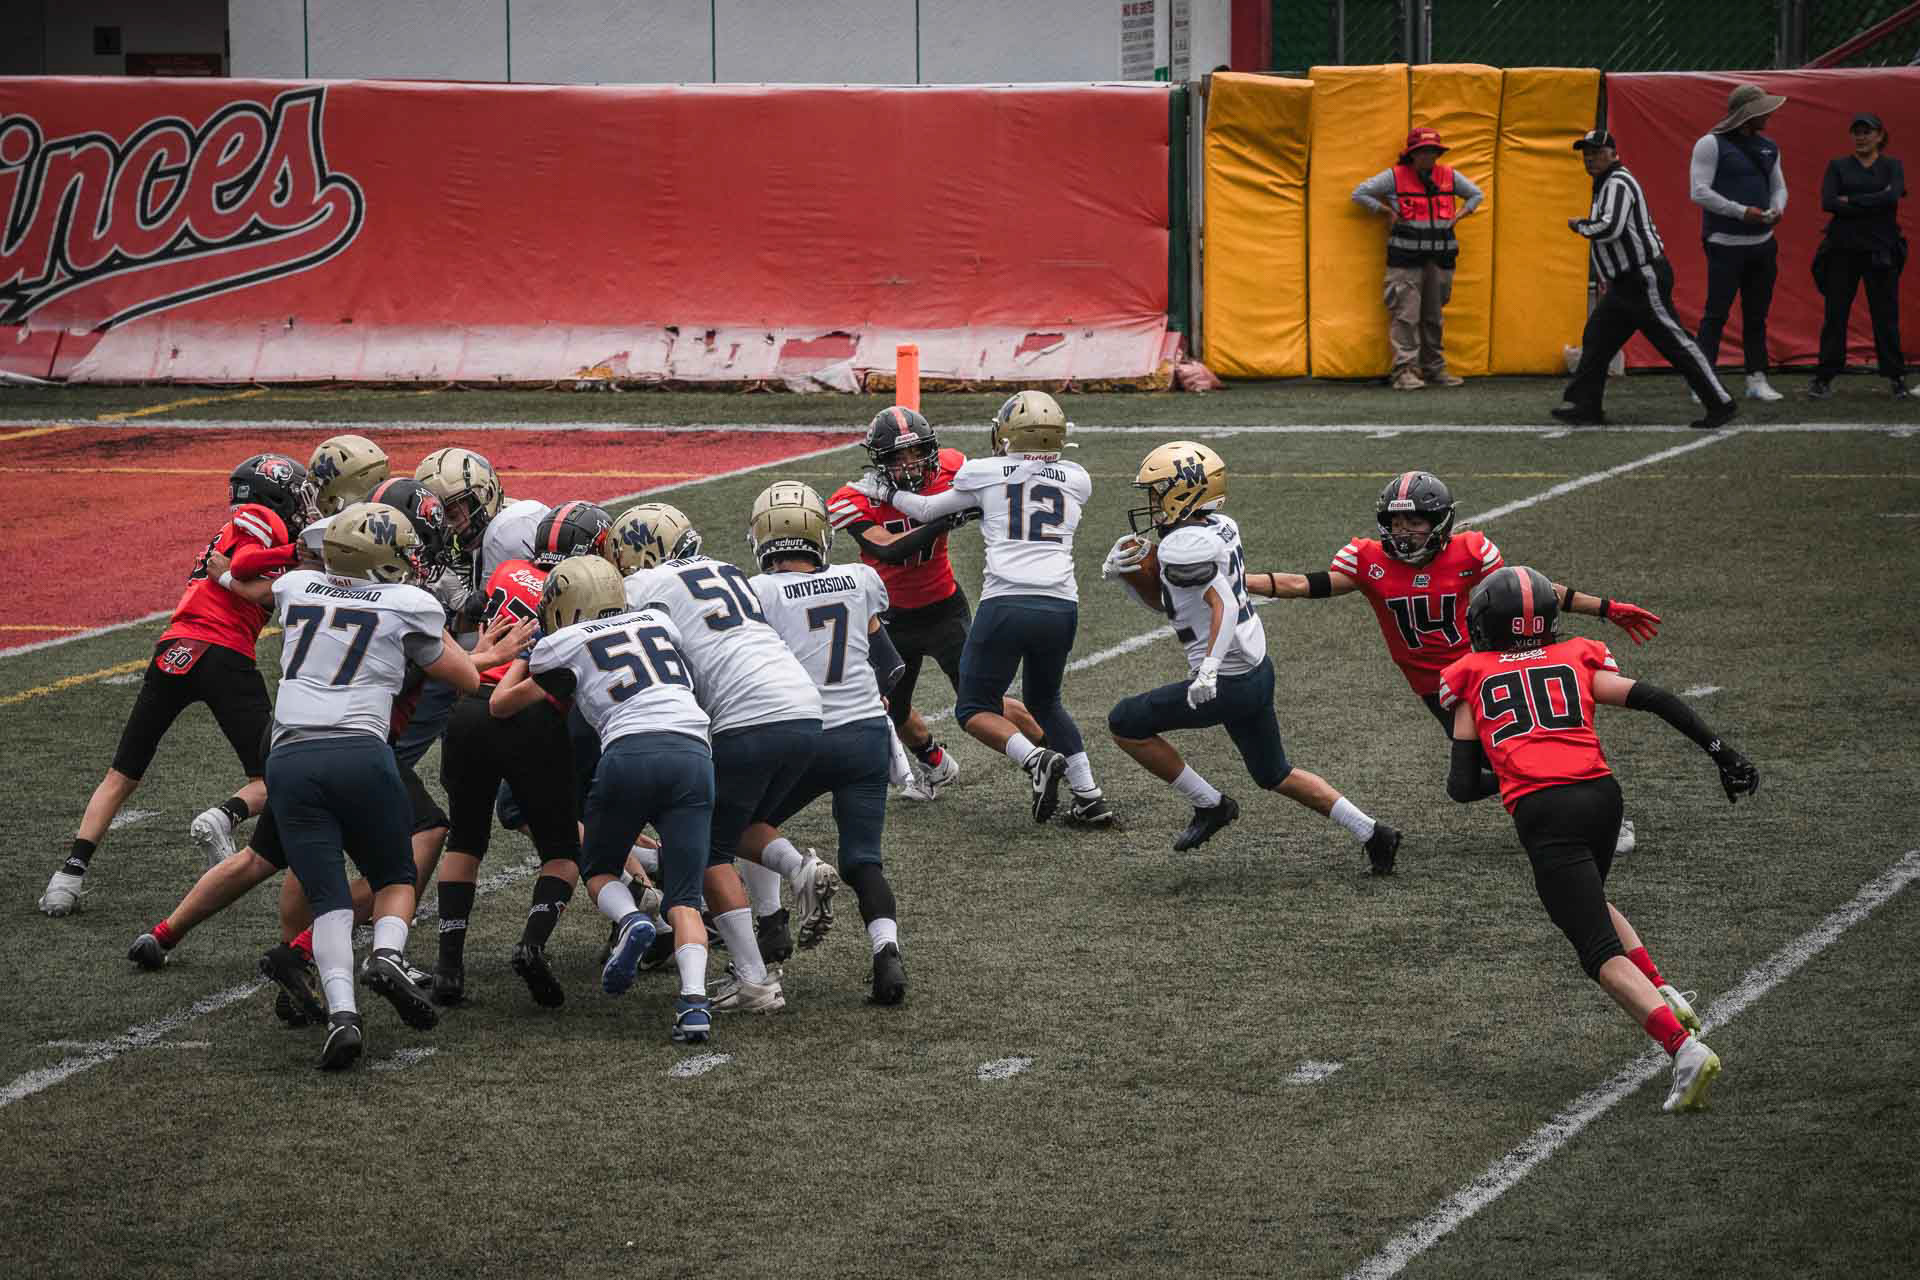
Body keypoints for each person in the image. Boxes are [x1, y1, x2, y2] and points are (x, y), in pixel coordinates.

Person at [1436, 565, 1759, 1113]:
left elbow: (1461, 787)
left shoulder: (1468, 674)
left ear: (1485, 624)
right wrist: (1722, 753)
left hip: (1547, 810)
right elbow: (1656, 698)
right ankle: (1660, 990)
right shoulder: (1577, 654)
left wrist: (1516, 768)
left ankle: (1682, 1049)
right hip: (1603, 797)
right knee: (1592, 902)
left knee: (1596, 951)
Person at [1243, 470, 1659, 855]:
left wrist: (1605, 608)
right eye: (1396, 522)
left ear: (1439, 523)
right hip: (1434, 686)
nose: (1403, 532)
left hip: (1484, 672)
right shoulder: (1368, 560)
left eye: (1415, 522)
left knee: (1511, 753)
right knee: (1483, 768)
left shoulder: (1470, 552)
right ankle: (1560, 797)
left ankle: (1601, 813)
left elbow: (1531, 590)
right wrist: (1239, 580)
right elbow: (1303, 584)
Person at [1102, 443, 1403, 869]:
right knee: (1273, 773)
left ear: (1183, 492)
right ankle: (1373, 832)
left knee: (1125, 723)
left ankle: (1210, 804)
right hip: (1256, 669)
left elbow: (1223, 603)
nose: (1151, 502)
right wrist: (1126, 579)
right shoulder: (1220, 525)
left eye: (1156, 492)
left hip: (1228, 680)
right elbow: (1174, 605)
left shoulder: (1182, 546)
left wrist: (1208, 670)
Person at [39, 454, 314, 917]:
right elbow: (246, 565)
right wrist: (293, 556)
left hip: (174, 647)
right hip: (224, 652)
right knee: (275, 777)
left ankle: (68, 877)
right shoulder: (261, 519)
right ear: (275, 496)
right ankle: (223, 816)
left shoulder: (243, 530)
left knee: (122, 774)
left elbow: (257, 584)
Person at [266, 501, 482, 1069]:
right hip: (359, 751)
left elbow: (297, 579)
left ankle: (342, 1015)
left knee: (328, 900)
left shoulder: (295, 588)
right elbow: (466, 676)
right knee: (394, 876)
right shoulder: (408, 603)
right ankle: (386, 953)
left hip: (288, 757)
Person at [611, 502, 835, 1012]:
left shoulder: (647, 583)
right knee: (743, 825)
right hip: (803, 708)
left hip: (745, 716)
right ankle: (798, 869)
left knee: (706, 850)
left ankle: (755, 979)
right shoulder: (728, 570)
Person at [854, 391, 1111, 828]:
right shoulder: (1078, 478)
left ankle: (1035, 759)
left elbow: (928, 508)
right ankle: (1089, 796)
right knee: (1047, 702)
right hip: (1061, 604)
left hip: (1006, 602)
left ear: (1008, 434)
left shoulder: (982, 471)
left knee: (973, 708)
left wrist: (888, 492)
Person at [493, 556, 718, 1044]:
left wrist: (522, 654)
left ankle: (632, 919)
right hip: (693, 754)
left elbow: (500, 703)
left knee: (598, 870)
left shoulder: (566, 641)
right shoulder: (657, 621)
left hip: (629, 753)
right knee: (685, 899)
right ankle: (694, 1004)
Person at [826, 405, 1049, 802]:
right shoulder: (855, 498)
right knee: (892, 708)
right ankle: (936, 764)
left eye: (916, 452)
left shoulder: (951, 468)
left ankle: (1055, 751)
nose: (910, 464)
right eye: (898, 456)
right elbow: (888, 549)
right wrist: (946, 520)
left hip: (944, 608)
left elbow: (997, 484)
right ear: (879, 460)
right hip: (890, 619)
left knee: (983, 701)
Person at [747, 481, 910, 1004]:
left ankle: (772, 924)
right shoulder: (859, 579)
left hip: (802, 733)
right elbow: (891, 664)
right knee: (863, 859)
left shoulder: (760, 592)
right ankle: (886, 953)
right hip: (863, 734)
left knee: (747, 824)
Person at [1554, 131, 1737, 430]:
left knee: (1676, 342)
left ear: (1613, 153)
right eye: (1586, 153)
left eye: (1597, 152)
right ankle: (1586, 406)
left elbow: (1610, 228)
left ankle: (1721, 402)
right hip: (1624, 282)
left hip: (1641, 277)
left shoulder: (1617, 182)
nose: (1589, 158)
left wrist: (1581, 226)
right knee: (1597, 338)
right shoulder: (1605, 183)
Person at [1351, 127, 1485, 391]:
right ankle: (1404, 372)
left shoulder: (1449, 176)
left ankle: (1435, 369)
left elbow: (1476, 194)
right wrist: (1386, 211)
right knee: (1406, 316)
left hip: (1440, 257)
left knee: (1434, 317)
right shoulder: (1395, 177)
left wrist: (1460, 215)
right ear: (1412, 154)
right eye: (1423, 151)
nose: (1429, 156)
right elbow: (1360, 193)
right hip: (1405, 259)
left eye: (1433, 151)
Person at [1690, 83, 1788, 402]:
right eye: (1763, 110)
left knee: (1756, 315)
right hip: (1724, 244)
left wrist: (1777, 209)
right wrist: (1741, 212)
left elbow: (1778, 187)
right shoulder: (1710, 144)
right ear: (1746, 113)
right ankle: (1703, 382)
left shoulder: (1769, 147)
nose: (1769, 115)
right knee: (1716, 314)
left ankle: (1756, 378)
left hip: (1763, 244)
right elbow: (1699, 191)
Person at [1811, 113, 1909, 400]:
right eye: (1857, 132)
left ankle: (1895, 376)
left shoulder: (1892, 166)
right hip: (1842, 251)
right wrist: (1875, 199)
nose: (1861, 137)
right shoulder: (1838, 166)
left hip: (1881, 250)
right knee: (1835, 315)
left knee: (1885, 316)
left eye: (1867, 132)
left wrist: (1851, 201)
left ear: (1880, 135)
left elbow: (1892, 196)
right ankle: (1824, 377)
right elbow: (1829, 202)